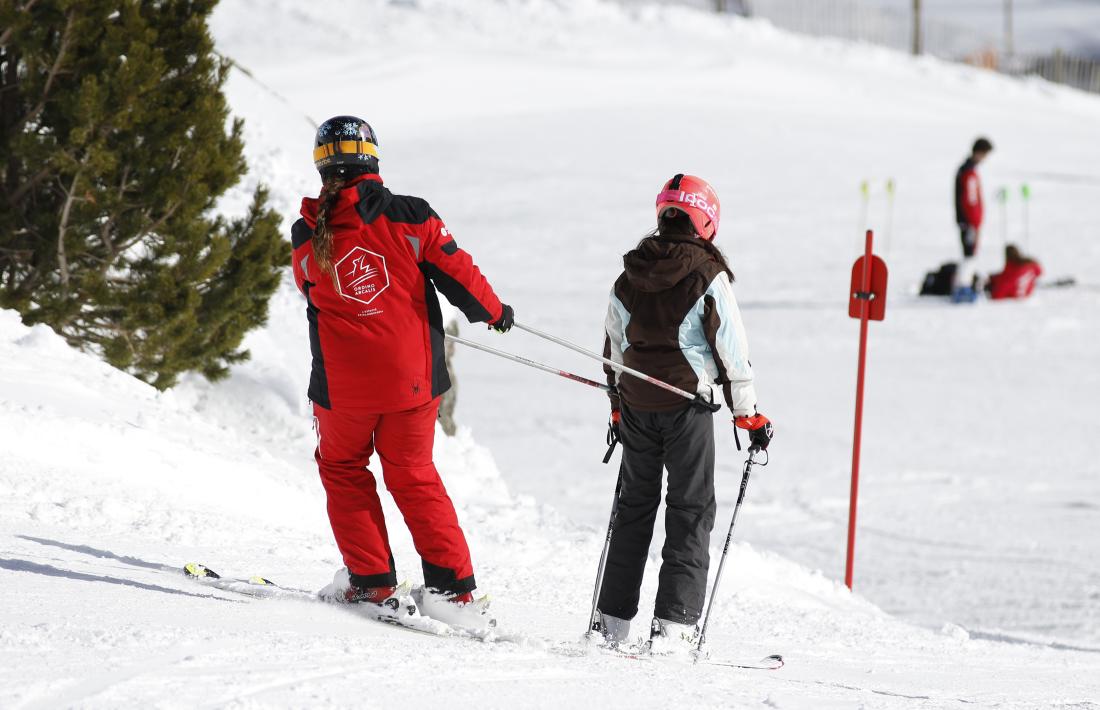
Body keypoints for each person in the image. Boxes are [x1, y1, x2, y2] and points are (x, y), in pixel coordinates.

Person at [290, 116, 513, 622]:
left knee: (344, 470)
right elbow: (458, 272)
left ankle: (370, 585)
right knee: (413, 475)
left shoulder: (306, 231)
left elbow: (310, 291)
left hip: (342, 389)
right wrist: (494, 313)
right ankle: (452, 594)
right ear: (372, 157)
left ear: (323, 165)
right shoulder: (411, 216)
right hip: (412, 382)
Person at [593, 174, 773, 652]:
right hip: (688, 408)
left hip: (635, 406)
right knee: (690, 511)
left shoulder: (628, 273)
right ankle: (672, 628)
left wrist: (617, 408)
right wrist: (748, 414)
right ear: (707, 221)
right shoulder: (706, 274)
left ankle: (610, 624)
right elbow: (733, 351)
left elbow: (614, 346)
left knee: (633, 509)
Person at [953, 137, 994, 301]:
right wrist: (974, 223)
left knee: (969, 255)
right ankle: (963, 289)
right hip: (969, 222)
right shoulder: (968, 173)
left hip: (967, 221)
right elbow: (970, 201)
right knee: (969, 256)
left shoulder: (966, 170)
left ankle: (964, 286)